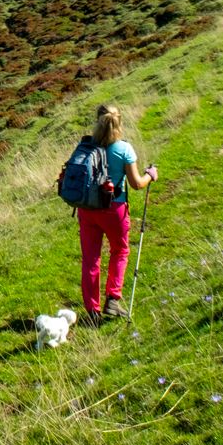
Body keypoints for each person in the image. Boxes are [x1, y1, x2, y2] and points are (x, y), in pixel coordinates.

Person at [80, 104, 156, 323]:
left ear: (97, 121)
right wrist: (150, 175)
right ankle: (112, 299)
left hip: (88, 210)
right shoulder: (124, 150)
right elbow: (137, 184)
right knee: (120, 251)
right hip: (114, 209)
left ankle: (92, 312)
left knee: (91, 260)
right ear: (119, 123)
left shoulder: (86, 145)